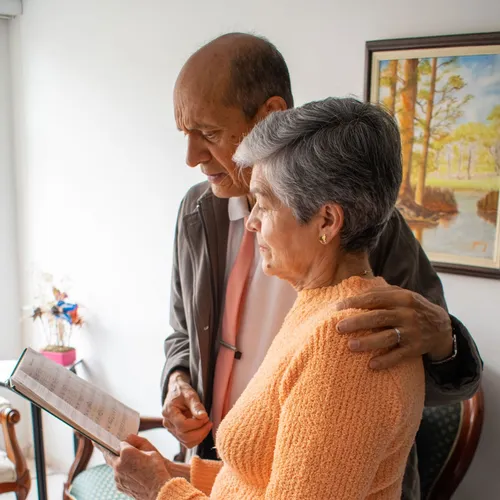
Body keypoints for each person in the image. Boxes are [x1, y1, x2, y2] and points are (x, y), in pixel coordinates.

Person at [111, 33, 481, 499]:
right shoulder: (195, 215)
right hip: (233, 471)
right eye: (184, 134)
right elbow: (182, 332)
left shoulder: (369, 242)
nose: (191, 158)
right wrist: (178, 383)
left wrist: (445, 340)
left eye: (207, 133)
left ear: (270, 114)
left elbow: (403, 365)